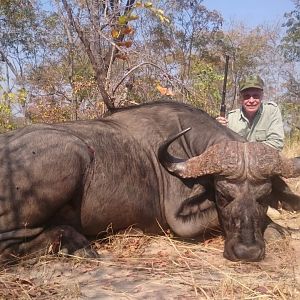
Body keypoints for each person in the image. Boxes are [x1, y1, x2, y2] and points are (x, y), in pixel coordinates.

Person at [216, 75, 284, 151]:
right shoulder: (230, 118)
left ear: (262, 96)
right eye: (246, 96)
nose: (251, 100)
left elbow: (277, 144)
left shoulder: (271, 111)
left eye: (255, 96)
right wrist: (217, 128)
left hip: (265, 160)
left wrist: (246, 151)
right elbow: (222, 147)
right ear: (240, 98)